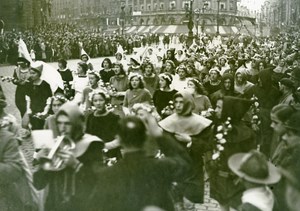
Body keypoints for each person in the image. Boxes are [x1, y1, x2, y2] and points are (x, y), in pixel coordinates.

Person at [86, 115, 191, 211]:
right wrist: (159, 136)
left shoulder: (108, 174)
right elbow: (185, 162)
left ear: (119, 140)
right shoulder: (161, 167)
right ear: (145, 138)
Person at [33, 102, 104, 211]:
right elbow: (38, 184)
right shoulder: (56, 144)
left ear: (77, 124)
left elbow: (98, 181)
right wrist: (42, 163)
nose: (62, 128)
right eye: (59, 123)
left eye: (67, 123)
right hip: (55, 205)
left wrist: (76, 164)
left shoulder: (92, 144)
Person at [159, 91, 212, 209]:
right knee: (175, 204)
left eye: (181, 103)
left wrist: (190, 141)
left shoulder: (201, 123)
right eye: (176, 102)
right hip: (175, 169)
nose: (177, 105)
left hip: (193, 168)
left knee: (189, 204)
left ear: (188, 103)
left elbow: (207, 146)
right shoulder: (168, 122)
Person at [206, 96, 256, 211]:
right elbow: (209, 148)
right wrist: (210, 165)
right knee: (223, 205)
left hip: (237, 182)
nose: (216, 110)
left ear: (228, 110)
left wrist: (241, 177)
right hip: (219, 179)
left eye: (219, 107)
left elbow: (250, 158)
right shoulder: (217, 128)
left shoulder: (246, 134)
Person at [85, 90, 121, 159]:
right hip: (95, 153)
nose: (98, 103)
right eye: (95, 101)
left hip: (111, 153)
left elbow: (120, 139)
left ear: (105, 101)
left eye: (101, 100)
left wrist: (105, 146)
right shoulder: (90, 117)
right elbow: (87, 135)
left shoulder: (113, 117)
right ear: (92, 102)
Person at [24, 63, 53, 130]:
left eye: (33, 73)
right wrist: (28, 108)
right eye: (30, 73)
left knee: (42, 127)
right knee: (32, 126)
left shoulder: (45, 85)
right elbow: (28, 97)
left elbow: (49, 98)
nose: (31, 75)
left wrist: (45, 111)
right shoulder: (29, 84)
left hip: (42, 109)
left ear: (39, 74)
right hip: (32, 109)